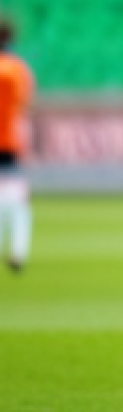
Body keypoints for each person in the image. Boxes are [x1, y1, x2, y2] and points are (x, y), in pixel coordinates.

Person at [0, 18, 35, 273]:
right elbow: (24, 102)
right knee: (17, 200)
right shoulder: (17, 68)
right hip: (8, 141)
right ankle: (18, 252)